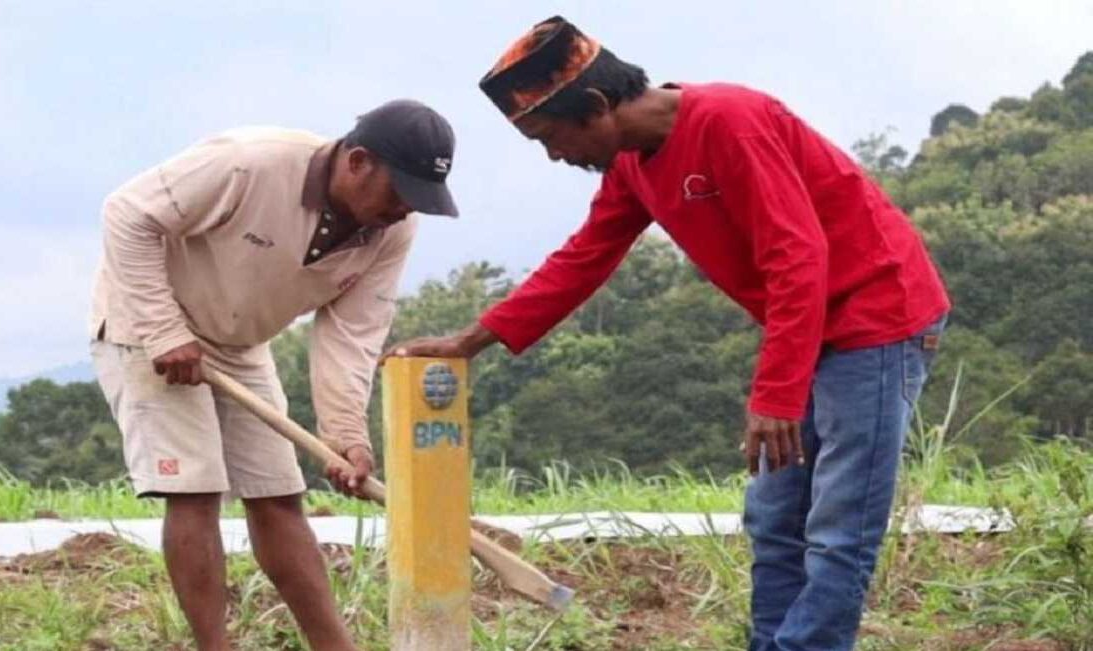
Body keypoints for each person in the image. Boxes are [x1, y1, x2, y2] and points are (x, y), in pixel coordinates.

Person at [385, 17, 949, 651]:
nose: (554, 156)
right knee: (774, 518)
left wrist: (776, 397)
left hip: (878, 318)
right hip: (806, 330)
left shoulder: (731, 121)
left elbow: (799, 256)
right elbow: (584, 257)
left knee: (839, 528)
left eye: (551, 137)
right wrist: (473, 340)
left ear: (596, 106)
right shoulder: (631, 165)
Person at [90, 99, 458, 651]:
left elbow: (350, 335)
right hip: (147, 323)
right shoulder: (250, 163)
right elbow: (127, 213)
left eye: (419, 201)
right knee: (194, 490)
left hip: (240, 342)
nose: (406, 211)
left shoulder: (390, 232)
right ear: (357, 162)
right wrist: (165, 331)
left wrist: (344, 437)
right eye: (400, 193)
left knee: (278, 492)